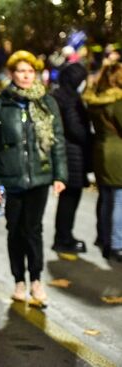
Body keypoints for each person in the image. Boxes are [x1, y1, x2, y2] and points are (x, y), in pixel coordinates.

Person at [0, 50, 67, 305]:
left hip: (40, 178)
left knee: (34, 230)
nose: (26, 76)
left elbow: (57, 142)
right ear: (11, 74)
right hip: (10, 180)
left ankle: (37, 281)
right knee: (15, 231)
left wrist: (60, 174)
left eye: (30, 71)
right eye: (21, 71)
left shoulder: (46, 103)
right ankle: (19, 281)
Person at [82, 62, 122, 261]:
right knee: (119, 200)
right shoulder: (117, 101)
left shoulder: (95, 101)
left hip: (100, 151)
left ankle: (104, 237)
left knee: (106, 198)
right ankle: (116, 244)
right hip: (117, 153)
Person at [51, 63, 92, 254]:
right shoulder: (69, 100)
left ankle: (64, 236)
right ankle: (63, 238)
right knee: (70, 199)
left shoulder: (57, 96)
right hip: (72, 155)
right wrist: (90, 137)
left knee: (68, 199)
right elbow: (76, 129)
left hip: (66, 154)